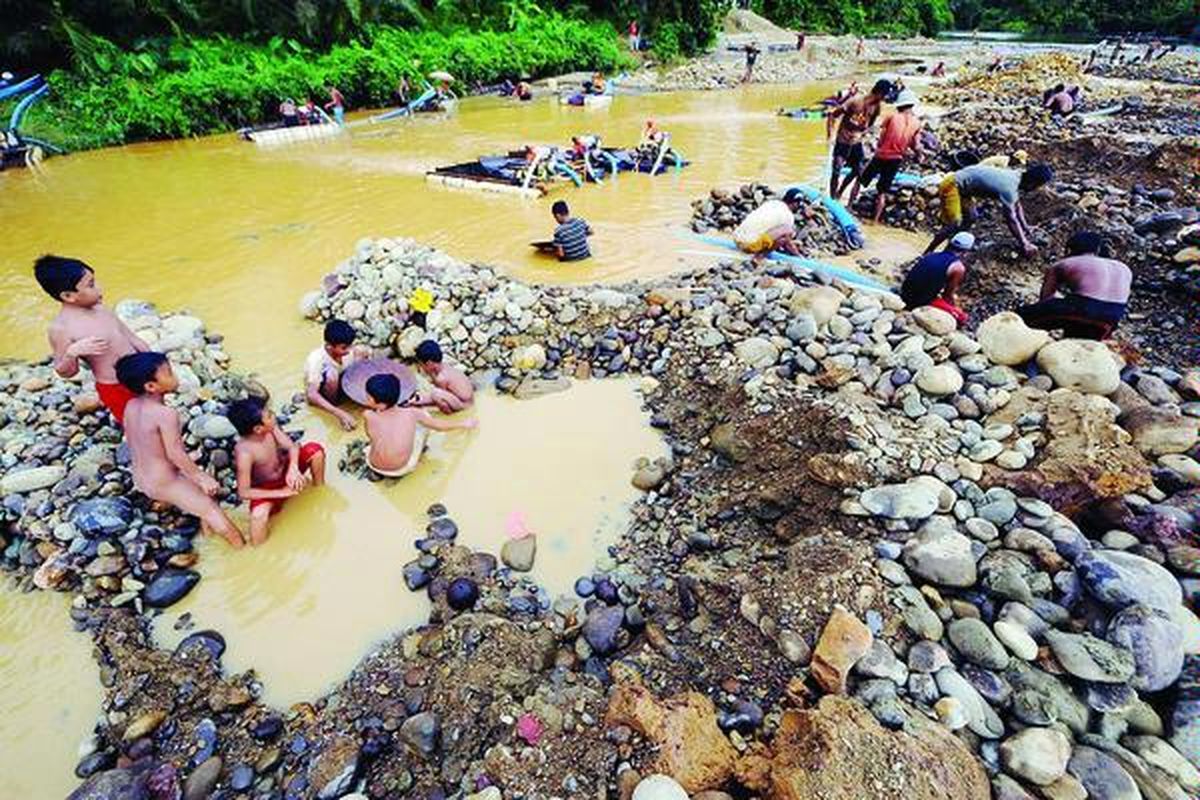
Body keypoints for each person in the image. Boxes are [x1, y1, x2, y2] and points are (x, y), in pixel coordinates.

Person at [116, 352, 245, 548]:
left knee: (201, 500)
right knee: (211, 509)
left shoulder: (131, 406)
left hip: (141, 478)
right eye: (169, 373)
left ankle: (208, 536)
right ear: (151, 386)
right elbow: (174, 453)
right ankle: (242, 550)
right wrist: (200, 477)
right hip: (164, 481)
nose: (175, 377)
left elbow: (143, 442)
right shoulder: (165, 414)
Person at [36, 255, 148, 426]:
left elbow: (131, 337)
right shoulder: (61, 328)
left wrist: (153, 362)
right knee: (136, 425)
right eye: (91, 284)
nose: (99, 287)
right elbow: (65, 372)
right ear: (68, 296)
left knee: (156, 415)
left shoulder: (101, 309)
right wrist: (71, 353)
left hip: (140, 373)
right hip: (115, 386)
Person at [227, 397, 325, 545]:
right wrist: (281, 493)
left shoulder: (271, 429)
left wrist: (293, 468)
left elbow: (292, 447)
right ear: (258, 429)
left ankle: (320, 489)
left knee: (315, 451)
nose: (274, 416)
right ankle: (259, 550)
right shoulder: (245, 453)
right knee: (258, 517)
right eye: (269, 416)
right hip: (267, 488)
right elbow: (244, 492)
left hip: (286, 472)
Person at [1017, 231, 1131, 339]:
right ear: (1097, 249)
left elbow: (1045, 299)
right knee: (1076, 337)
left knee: (1022, 317)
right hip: (1111, 319)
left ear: (1069, 250)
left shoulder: (1065, 263)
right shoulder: (1123, 268)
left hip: (1082, 308)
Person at [927, 163, 1054, 256]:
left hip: (964, 189)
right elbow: (1011, 219)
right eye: (1038, 186)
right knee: (955, 223)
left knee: (971, 217)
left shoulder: (1018, 176)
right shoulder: (1009, 187)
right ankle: (928, 252)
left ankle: (949, 251)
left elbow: (1017, 205)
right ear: (1033, 182)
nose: (1036, 189)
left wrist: (1026, 227)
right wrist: (1024, 243)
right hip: (952, 184)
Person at [363, 373, 476, 478]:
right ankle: (420, 453)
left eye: (367, 397)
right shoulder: (412, 413)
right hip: (401, 469)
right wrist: (462, 423)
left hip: (374, 464)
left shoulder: (368, 415)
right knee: (423, 421)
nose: (365, 398)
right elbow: (438, 426)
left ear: (376, 401)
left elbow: (371, 436)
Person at [850, 89, 924, 223]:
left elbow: (882, 135)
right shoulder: (917, 123)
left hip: (881, 155)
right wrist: (919, 156)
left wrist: (878, 146)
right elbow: (916, 145)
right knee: (882, 192)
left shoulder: (891, 117)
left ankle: (849, 206)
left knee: (859, 180)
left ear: (899, 105)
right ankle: (875, 221)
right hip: (896, 159)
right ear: (912, 105)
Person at [826, 79, 889, 199]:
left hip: (856, 143)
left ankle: (840, 192)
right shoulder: (855, 101)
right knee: (836, 171)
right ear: (880, 93)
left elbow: (870, 124)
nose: (885, 98)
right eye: (884, 95)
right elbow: (832, 115)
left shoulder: (877, 108)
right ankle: (832, 199)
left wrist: (863, 134)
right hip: (842, 141)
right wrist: (830, 136)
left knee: (858, 171)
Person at [305, 319, 370, 431]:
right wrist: (339, 413)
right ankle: (336, 405)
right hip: (325, 389)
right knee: (332, 374)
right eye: (344, 348)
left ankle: (356, 395)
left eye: (350, 346)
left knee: (361, 352)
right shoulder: (316, 359)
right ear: (330, 346)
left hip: (343, 381)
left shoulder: (351, 351)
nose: (349, 350)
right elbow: (311, 395)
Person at [900, 232, 975, 327]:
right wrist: (953, 308)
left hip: (904, 293)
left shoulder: (931, 255)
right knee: (963, 318)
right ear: (966, 251)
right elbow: (947, 296)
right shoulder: (958, 267)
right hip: (919, 302)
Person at [733, 188, 805, 257]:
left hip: (736, 240)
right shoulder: (788, 216)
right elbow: (787, 242)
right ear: (795, 203)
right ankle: (759, 257)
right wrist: (798, 255)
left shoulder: (772, 203)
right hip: (749, 245)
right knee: (788, 231)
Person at [414, 339, 474, 413]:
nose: (421, 367)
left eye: (421, 365)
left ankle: (448, 415)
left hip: (464, 405)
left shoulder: (441, 378)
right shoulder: (444, 366)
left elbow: (441, 399)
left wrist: (421, 404)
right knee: (434, 394)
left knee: (435, 394)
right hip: (468, 400)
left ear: (429, 363)